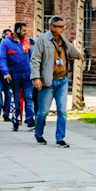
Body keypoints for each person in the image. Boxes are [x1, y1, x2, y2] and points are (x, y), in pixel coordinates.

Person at [31, 16, 82, 148]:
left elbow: (72, 51)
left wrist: (79, 54)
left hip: (62, 80)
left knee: (62, 111)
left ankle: (60, 138)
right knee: (43, 111)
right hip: (48, 81)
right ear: (52, 27)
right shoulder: (42, 39)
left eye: (64, 26)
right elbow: (35, 60)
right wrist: (36, 77)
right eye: (60, 26)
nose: (63, 29)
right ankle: (39, 134)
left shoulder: (63, 39)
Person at [0, 22, 34, 131]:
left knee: (29, 96)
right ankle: (16, 120)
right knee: (16, 98)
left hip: (27, 74)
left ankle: (30, 120)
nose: (25, 32)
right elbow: (1, 59)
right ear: (17, 30)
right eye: (23, 30)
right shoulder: (6, 43)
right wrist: (5, 72)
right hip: (14, 75)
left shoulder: (26, 41)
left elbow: (31, 56)